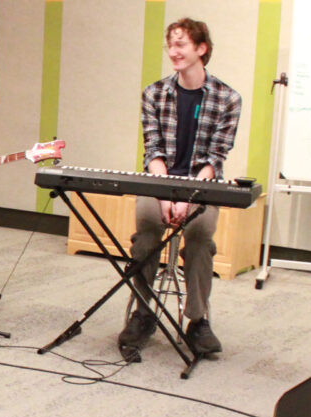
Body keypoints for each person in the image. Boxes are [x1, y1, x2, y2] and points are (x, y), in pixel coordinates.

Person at [119, 17, 241, 357]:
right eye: (170, 44)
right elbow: (153, 150)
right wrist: (164, 194)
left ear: (201, 49)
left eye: (181, 44)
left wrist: (188, 197)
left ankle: (197, 320)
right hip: (160, 181)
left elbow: (216, 158)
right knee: (147, 230)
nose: (173, 51)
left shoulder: (228, 98)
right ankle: (143, 312)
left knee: (200, 236)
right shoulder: (154, 93)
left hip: (202, 186)